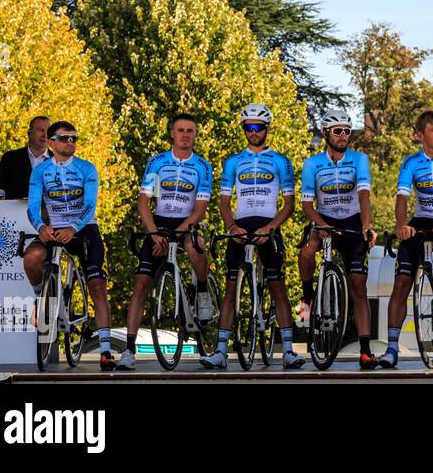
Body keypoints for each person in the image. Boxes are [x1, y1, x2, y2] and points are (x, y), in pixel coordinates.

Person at [202, 104, 304, 370]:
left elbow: (289, 204)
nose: (254, 132)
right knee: (230, 287)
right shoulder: (233, 162)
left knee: (277, 287)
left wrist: (271, 228)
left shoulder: (282, 161)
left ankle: (289, 351)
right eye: (249, 127)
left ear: (267, 129)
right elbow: (224, 202)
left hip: (268, 225)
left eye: (258, 127)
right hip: (240, 225)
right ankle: (221, 350)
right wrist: (231, 226)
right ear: (244, 130)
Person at [116, 113, 215, 371]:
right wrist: (153, 233)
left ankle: (202, 290)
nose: (185, 135)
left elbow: (200, 209)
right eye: (180, 130)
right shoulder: (157, 162)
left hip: (187, 222)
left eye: (190, 131)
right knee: (141, 284)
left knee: (197, 247)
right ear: (172, 133)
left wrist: (178, 232)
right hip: (159, 224)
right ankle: (128, 350)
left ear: (195, 135)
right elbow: (143, 202)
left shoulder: (203, 166)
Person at [21, 121, 117, 370]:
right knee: (31, 258)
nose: (70, 142)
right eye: (64, 138)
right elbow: (32, 206)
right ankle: (40, 297)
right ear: (51, 143)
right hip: (53, 229)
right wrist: (41, 226)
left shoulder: (87, 168)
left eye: (74, 138)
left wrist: (73, 227)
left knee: (97, 285)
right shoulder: (40, 171)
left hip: (83, 229)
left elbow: (89, 205)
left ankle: (106, 350)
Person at [378, 110, 433, 369]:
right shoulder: (410, 163)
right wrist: (401, 226)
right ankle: (392, 348)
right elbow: (402, 199)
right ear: (420, 135)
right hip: (421, 220)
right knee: (402, 281)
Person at [297, 111, 376, 370]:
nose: (343, 136)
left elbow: (364, 195)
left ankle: (365, 350)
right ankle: (307, 294)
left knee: (358, 287)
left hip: (352, 221)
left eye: (347, 131)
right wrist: (321, 226)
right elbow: (307, 203)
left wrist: (366, 227)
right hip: (323, 218)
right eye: (338, 131)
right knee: (307, 252)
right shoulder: (312, 163)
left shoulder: (359, 160)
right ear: (326, 133)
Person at [0, 115, 51, 200]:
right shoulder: (10, 158)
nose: (45, 135)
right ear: (29, 133)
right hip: (13, 212)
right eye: (41, 130)